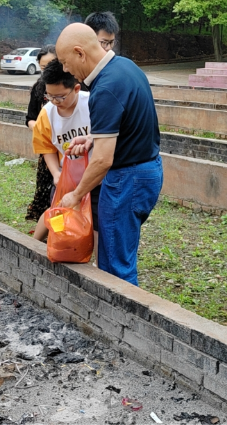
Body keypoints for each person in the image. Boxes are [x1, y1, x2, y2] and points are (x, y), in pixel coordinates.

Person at [55, 23, 163, 286]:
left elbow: (104, 160)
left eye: (65, 62)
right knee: (122, 252)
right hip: (149, 170)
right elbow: (131, 121)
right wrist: (94, 138)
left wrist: (76, 194)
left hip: (127, 180)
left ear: (80, 53)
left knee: (115, 269)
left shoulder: (104, 90)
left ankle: (125, 324)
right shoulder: (126, 67)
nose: (65, 70)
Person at [30, 59, 96, 242]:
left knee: (93, 217)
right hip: (67, 173)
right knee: (57, 209)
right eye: (49, 96)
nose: (54, 101)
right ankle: (36, 244)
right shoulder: (47, 113)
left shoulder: (92, 104)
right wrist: (56, 173)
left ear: (76, 89)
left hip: (95, 174)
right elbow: (46, 147)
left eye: (60, 97)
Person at [25, 45, 60, 222]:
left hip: (68, 146)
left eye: (52, 64)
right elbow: (29, 119)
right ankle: (46, 224)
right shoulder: (38, 88)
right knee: (47, 188)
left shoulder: (71, 84)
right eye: (43, 67)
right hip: (48, 147)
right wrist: (41, 128)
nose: (47, 71)